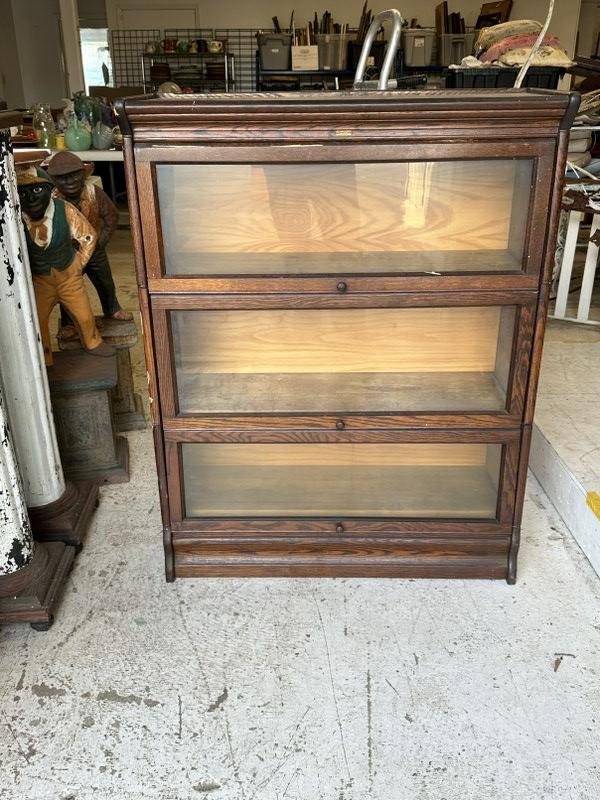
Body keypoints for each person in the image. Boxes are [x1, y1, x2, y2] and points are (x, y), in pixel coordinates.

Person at [16, 163, 114, 365]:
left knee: (85, 314)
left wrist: (79, 263)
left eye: (36, 190)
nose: (32, 198)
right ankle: (44, 357)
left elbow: (88, 236)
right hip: (40, 281)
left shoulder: (65, 210)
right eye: (23, 193)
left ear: (49, 189)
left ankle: (93, 342)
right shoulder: (15, 218)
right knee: (37, 320)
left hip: (68, 276)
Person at [46, 151, 132, 340]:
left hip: (95, 250)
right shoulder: (51, 199)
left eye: (75, 175)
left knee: (105, 282)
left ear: (84, 172)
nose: (70, 182)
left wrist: (101, 241)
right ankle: (69, 322)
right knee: (68, 288)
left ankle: (112, 309)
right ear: (53, 179)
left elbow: (111, 216)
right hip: (68, 254)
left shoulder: (94, 193)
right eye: (63, 178)